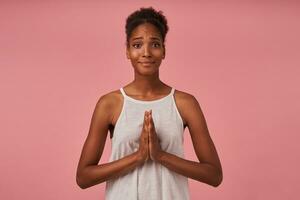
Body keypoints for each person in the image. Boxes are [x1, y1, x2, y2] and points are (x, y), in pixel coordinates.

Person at [76, 6, 223, 200]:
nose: (146, 53)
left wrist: (161, 156)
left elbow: (214, 175)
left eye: (154, 44)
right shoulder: (109, 104)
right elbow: (83, 177)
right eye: (137, 45)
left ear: (164, 51)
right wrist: (138, 157)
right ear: (127, 51)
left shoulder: (185, 103)